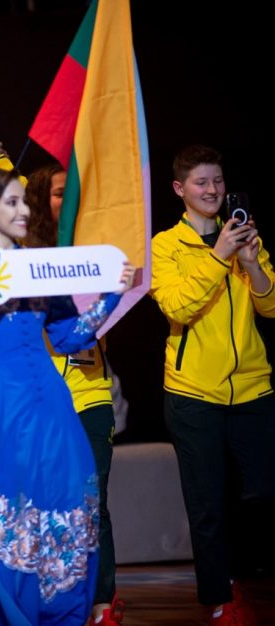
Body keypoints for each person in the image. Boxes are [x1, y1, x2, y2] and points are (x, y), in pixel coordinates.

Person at [0, 169, 134, 625]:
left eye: (24, 201)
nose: (24, 210)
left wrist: (109, 299)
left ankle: (53, 609)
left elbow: (66, 338)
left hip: (46, 402)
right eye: (11, 203)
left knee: (60, 494)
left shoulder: (38, 265)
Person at [150, 145, 275, 625]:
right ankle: (220, 599)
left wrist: (251, 260)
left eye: (218, 181)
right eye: (201, 183)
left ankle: (243, 574)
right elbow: (178, 307)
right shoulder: (165, 245)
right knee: (205, 503)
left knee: (261, 491)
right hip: (192, 394)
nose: (213, 190)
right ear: (180, 190)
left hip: (252, 390)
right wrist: (220, 257)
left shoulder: (244, 236)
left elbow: (270, 305)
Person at [25, 163, 125, 625]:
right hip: (38, 400)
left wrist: (114, 287)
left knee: (91, 500)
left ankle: (102, 600)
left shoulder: (99, 252)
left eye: (73, 193)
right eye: (59, 193)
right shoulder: (23, 255)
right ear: (41, 199)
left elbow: (94, 326)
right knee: (41, 499)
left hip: (88, 395)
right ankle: (50, 593)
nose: (66, 201)